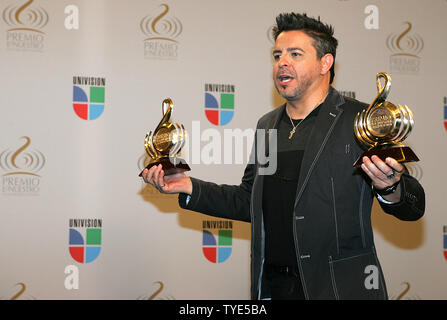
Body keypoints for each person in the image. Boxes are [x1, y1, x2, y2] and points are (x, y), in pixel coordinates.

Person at [142, 12, 425, 300]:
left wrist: (391, 187)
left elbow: (413, 207)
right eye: (277, 55)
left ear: (324, 63)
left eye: (295, 54)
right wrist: (189, 187)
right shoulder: (267, 125)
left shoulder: (361, 120)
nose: (282, 63)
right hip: (274, 289)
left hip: (337, 289)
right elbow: (249, 201)